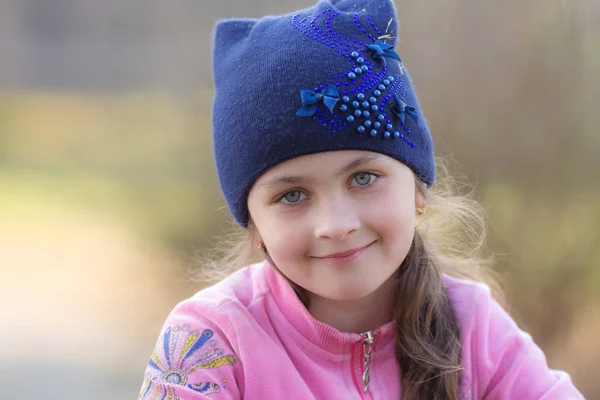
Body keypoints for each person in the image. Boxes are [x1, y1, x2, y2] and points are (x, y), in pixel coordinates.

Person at [137, 0, 584, 398]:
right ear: (255, 227)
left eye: (364, 178)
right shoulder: (211, 343)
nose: (336, 223)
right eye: (292, 195)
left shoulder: (474, 329)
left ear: (417, 190)